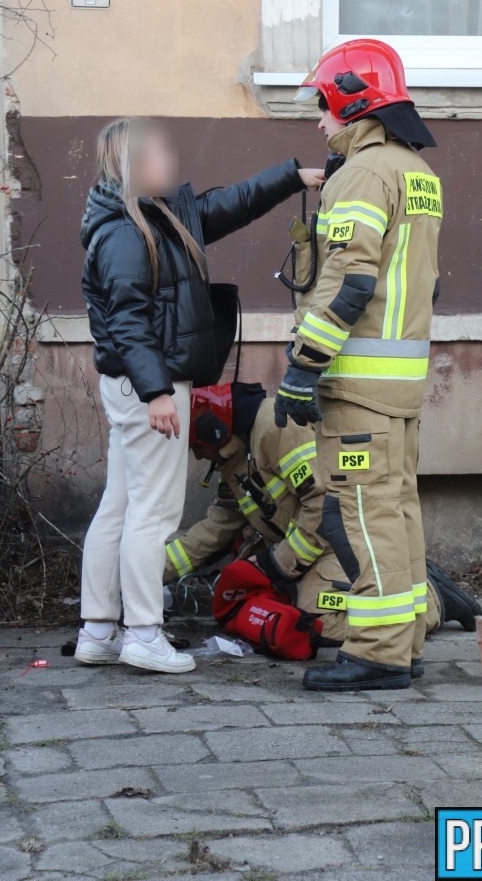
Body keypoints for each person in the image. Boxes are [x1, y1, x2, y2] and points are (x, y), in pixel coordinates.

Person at [74, 117, 323, 674]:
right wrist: (158, 392)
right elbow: (128, 321)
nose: (173, 160)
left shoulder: (157, 217)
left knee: (118, 504)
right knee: (152, 512)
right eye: (161, 153)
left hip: (137, 385)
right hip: (149, 386)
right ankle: (141, 633)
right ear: (133, 166)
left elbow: (228, 206)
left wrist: (293, 178)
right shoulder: (125, 232)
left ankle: (97, 630)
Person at [272, 39, 444, 691]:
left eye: (322, 107)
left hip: (359, 386)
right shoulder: (415, 172)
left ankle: (375, 652)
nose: (318, 122)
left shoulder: (363, 174)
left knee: (357, 515)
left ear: (351, 102)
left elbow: (348, 283)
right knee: (395, 511)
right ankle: (400, 642)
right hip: (397, 383)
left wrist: (301, 366)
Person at [162, 382, 482, 643]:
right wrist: (144, 579)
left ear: (212, 430)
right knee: (281, 612)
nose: (194, 453)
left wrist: (278, 564)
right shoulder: (234, 459)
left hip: (340, 541)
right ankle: (397, 579)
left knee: (317, 620)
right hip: (310, 552)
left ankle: (431, 601)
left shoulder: (277, 430)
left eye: (193, 444)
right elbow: (212, 531)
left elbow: (323, 504)